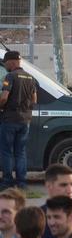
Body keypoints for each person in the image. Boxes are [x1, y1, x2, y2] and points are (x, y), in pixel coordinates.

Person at [0, 50, 36, 191]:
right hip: (25, 121)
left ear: (12, 62)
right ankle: (22, 183)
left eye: (6, 62)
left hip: (9, 120)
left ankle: (7, 181)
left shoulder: (10, 76)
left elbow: (3, 98)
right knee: (20, 152)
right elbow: (34, 100)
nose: (5, 65)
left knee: (7, 151)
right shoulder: (30, 77)